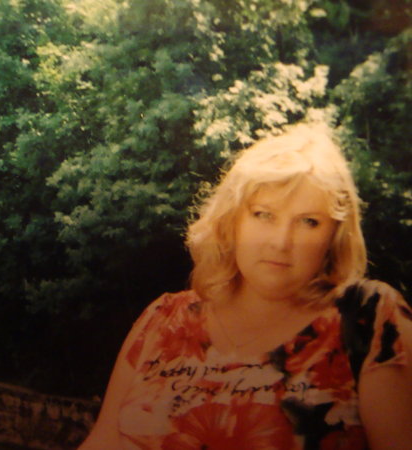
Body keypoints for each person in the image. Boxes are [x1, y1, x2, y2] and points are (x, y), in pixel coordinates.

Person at [79, 123, 412, 449]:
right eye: (264, 215)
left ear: (334, 236)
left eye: (309, 222)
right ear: (232, 221)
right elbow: (103, 441)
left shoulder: (371, 319)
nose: (281, 242)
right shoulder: (163, 319)